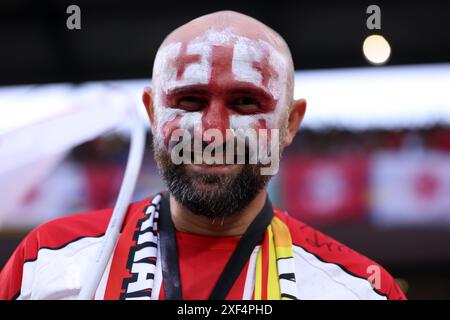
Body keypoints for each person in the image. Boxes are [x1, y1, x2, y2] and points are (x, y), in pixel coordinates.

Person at [0, 11, 406, 300]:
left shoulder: (360, 290)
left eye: (246, 102)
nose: (213, 132)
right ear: (152, 111)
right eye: (190, 100)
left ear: (291, 122)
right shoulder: (46, 262)